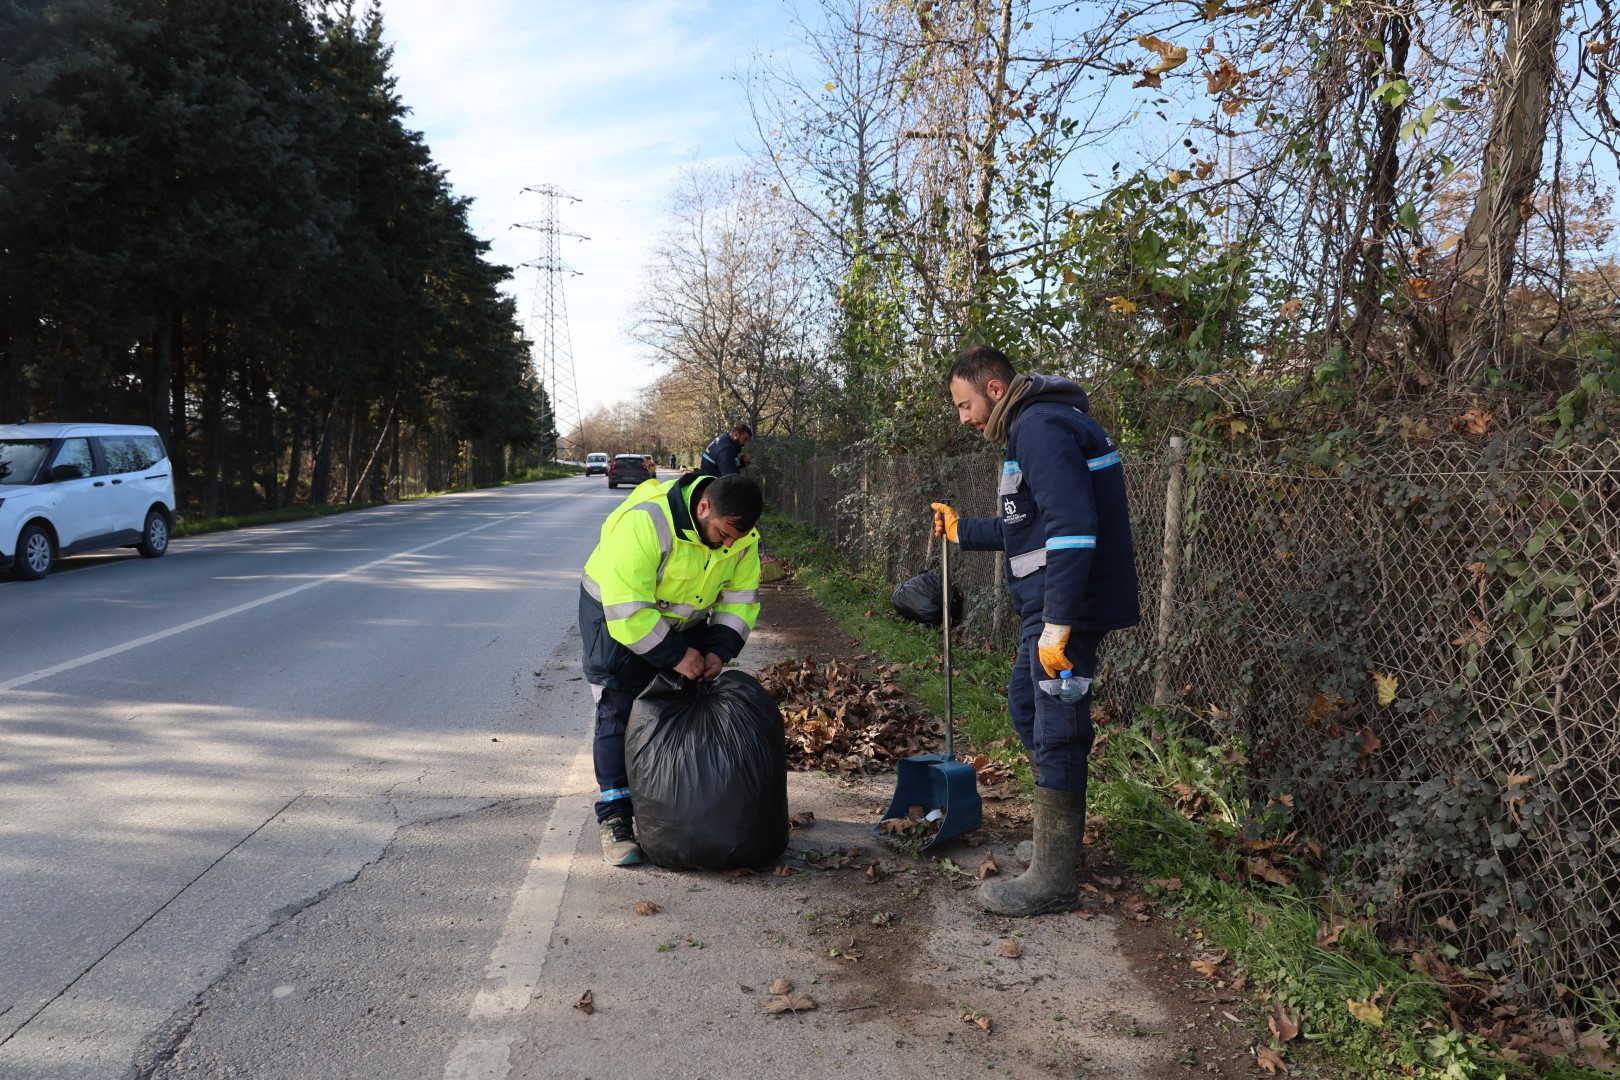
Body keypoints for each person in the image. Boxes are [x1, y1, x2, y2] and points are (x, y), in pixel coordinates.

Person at [931, 345, 1139, 915]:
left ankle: (1054, 879)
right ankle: (1057, 846)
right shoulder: (1032, 427)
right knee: (1028, 708)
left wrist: (1058, 625)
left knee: (1057, 725)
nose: (963, 418)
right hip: (1048, 606)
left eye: (965, 404)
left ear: (994, 390)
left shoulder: (1039, 428)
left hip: (1066, 607)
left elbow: (1072, 529)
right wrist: (962, 531)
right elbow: (1027, 526)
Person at [579, 470, 764, 865]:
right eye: (723, 533)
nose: (729, 544)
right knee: (618, 708)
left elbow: (739, 599)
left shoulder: (742, 536)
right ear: (703, 507)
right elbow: (628, 608)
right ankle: (615, 818)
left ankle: (671, 806)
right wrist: (677, 655)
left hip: (682, 619)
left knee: (679, 703)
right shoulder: (646, 522)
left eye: (736, 537)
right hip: (615, 615)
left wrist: (718, 650)